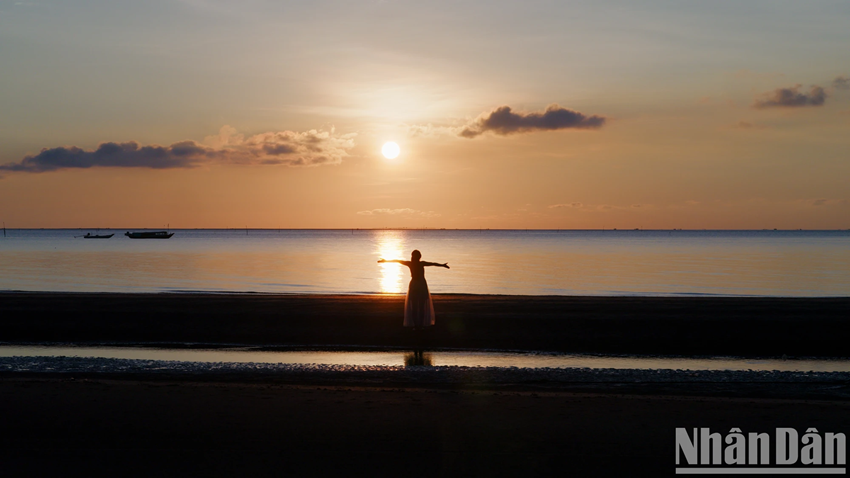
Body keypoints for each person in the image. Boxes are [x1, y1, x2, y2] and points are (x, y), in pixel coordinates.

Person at [378, 250, 449, 329]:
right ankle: (418, 325)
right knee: (418, 306)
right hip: (419, 284)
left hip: (418, 284)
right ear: (419, 256)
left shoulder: (413, 263)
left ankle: (417, 325)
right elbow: (433, 264)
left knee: (416, 306)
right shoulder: (418, 263)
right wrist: (442, 265)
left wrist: (442, 265)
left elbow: (398, 261)